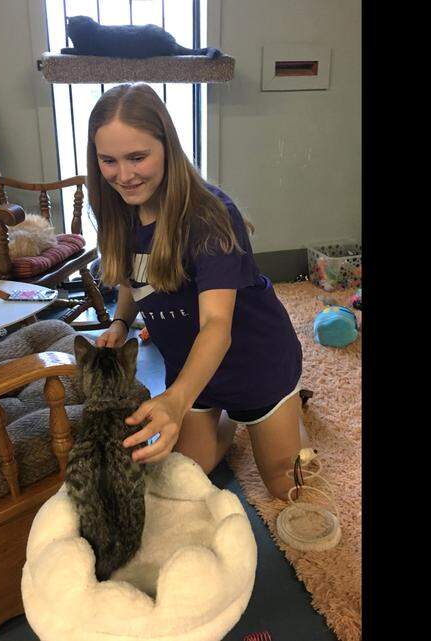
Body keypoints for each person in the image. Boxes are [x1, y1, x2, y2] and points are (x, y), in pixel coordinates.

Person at [87, 83, 307, 500]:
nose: (124, 175)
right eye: (108, 161)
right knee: (186, 476)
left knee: (288, 489)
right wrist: (120, 321)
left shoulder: (210, 214)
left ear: (167, 147)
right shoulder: (118, 208)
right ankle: (236, 425)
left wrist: (174, 402)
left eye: (137, 157)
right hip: (191, 370)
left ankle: (293, 405)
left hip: (254, 363)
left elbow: (217, 324)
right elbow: (136, 277)